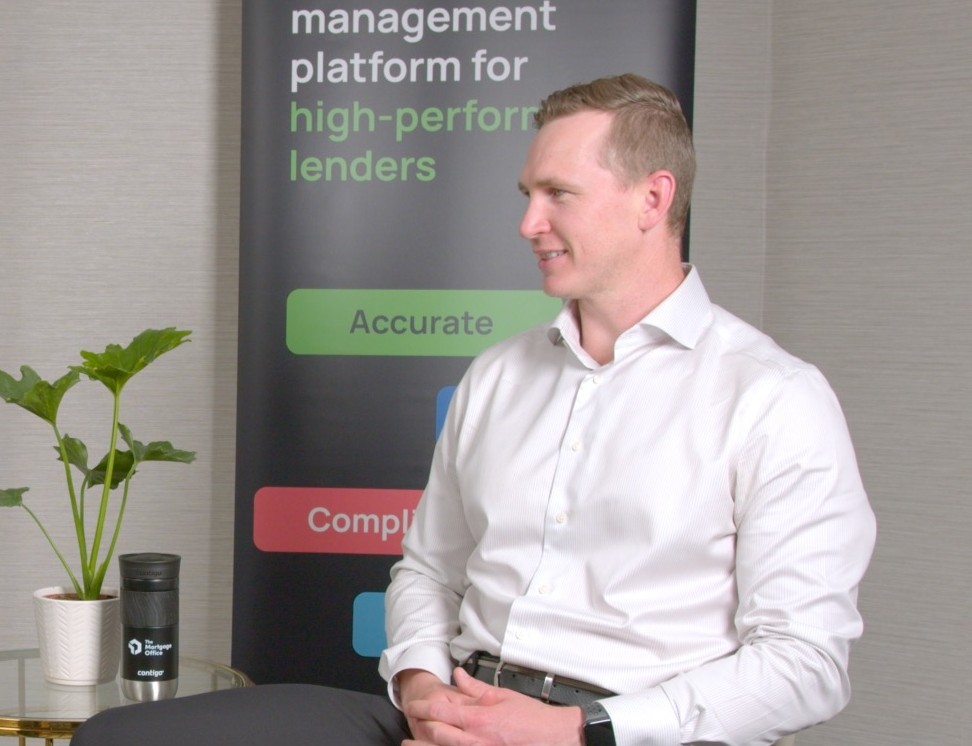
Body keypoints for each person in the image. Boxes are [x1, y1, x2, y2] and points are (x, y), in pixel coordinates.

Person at [72, 73, 875, 746]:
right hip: (448, 706)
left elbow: (805, 663)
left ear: (652, 198)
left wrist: (578, 729)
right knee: (123, 737)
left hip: (618, 731)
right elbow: (428, 570)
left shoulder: (772, 398)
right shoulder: (499, 374)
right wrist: (422, 684)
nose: (529, 223)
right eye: (528, 194)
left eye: (558, 193)